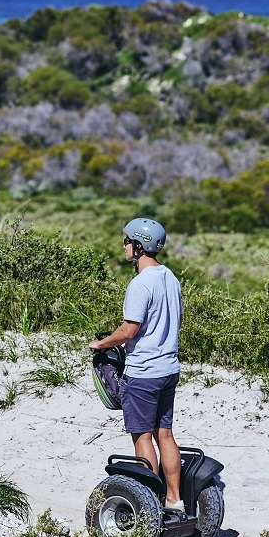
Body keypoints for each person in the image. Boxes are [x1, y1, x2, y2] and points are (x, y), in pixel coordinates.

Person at [88, 217, 185, 519]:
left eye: (128, 241)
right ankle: (174, 501)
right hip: (169, 369)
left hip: (144, 374)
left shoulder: (140, 284)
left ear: (139, 246)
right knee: (165, 435)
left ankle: (151, 504)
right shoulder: (170, 277)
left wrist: (101, 344)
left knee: (142, 438)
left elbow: (129, 330)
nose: (124, 246)